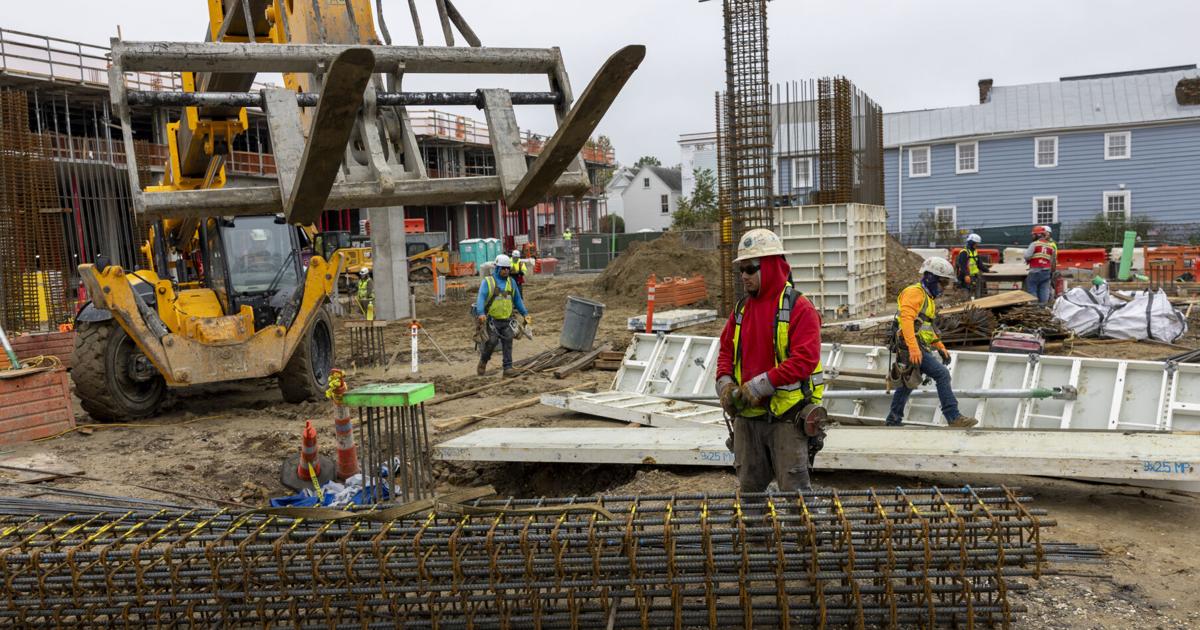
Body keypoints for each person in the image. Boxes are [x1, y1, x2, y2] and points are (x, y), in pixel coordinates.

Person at [715, 229, 825, 494]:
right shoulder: (742, 309)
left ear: (771, 267)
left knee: (794, 489)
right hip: (747, 419)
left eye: (750, 268)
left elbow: (805, 360)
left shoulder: (799, 308)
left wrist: (758, 386)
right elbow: (726, 352)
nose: (744, 276)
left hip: (786, 418)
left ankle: (805, 536)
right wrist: (725, 385)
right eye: (741, 269)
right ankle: (755, 536)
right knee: (750, 488)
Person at [887, 257, 978, 428]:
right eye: (942, 283)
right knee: (942, 374)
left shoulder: (927, 298)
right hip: (910, 346)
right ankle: (953, 416)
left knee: (907, 384)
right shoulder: (914, 293)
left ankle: (893, 420)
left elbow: (927, 328)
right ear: (931, 277)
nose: (943, 288)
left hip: (917, 345)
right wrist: (914, 349)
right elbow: (906, 321)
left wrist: (940, 346)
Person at [475, 254, 529, 378]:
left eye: (507, 268)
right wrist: (481, 313)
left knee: (508, 341)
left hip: (507, 319)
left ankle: (508, 368)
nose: (506, 271)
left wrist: (525, 313)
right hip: (492, 320)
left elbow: (517, 300)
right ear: (497, 268)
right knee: (492, 342)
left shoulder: (512, 282)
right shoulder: (488, 282)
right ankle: (483, 361)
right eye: (503, 268)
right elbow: (481, 298)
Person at [1024, 225, 1057, 304]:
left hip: (1035, 270)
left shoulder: (1034, 244)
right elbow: (1053, 261)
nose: (1032, 236)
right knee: (1044, 289)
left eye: (1033, 234)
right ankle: (1043, 307)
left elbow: (1027, 256)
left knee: (1032, 288)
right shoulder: (1051, 246)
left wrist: (1029, 259)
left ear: (1038, 235)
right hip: (1046, 271)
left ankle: (1034, 307)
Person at [956, 233, 990, 299]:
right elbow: (962, 265)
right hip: (966, 277)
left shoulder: (975, 252)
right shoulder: (964, 252)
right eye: (976, 243)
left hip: (974, 276)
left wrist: (988, 270)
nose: (977, 245)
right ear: (971, 243)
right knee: (966, 295)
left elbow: (979, 264)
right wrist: (966, 275)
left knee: (976, 294)